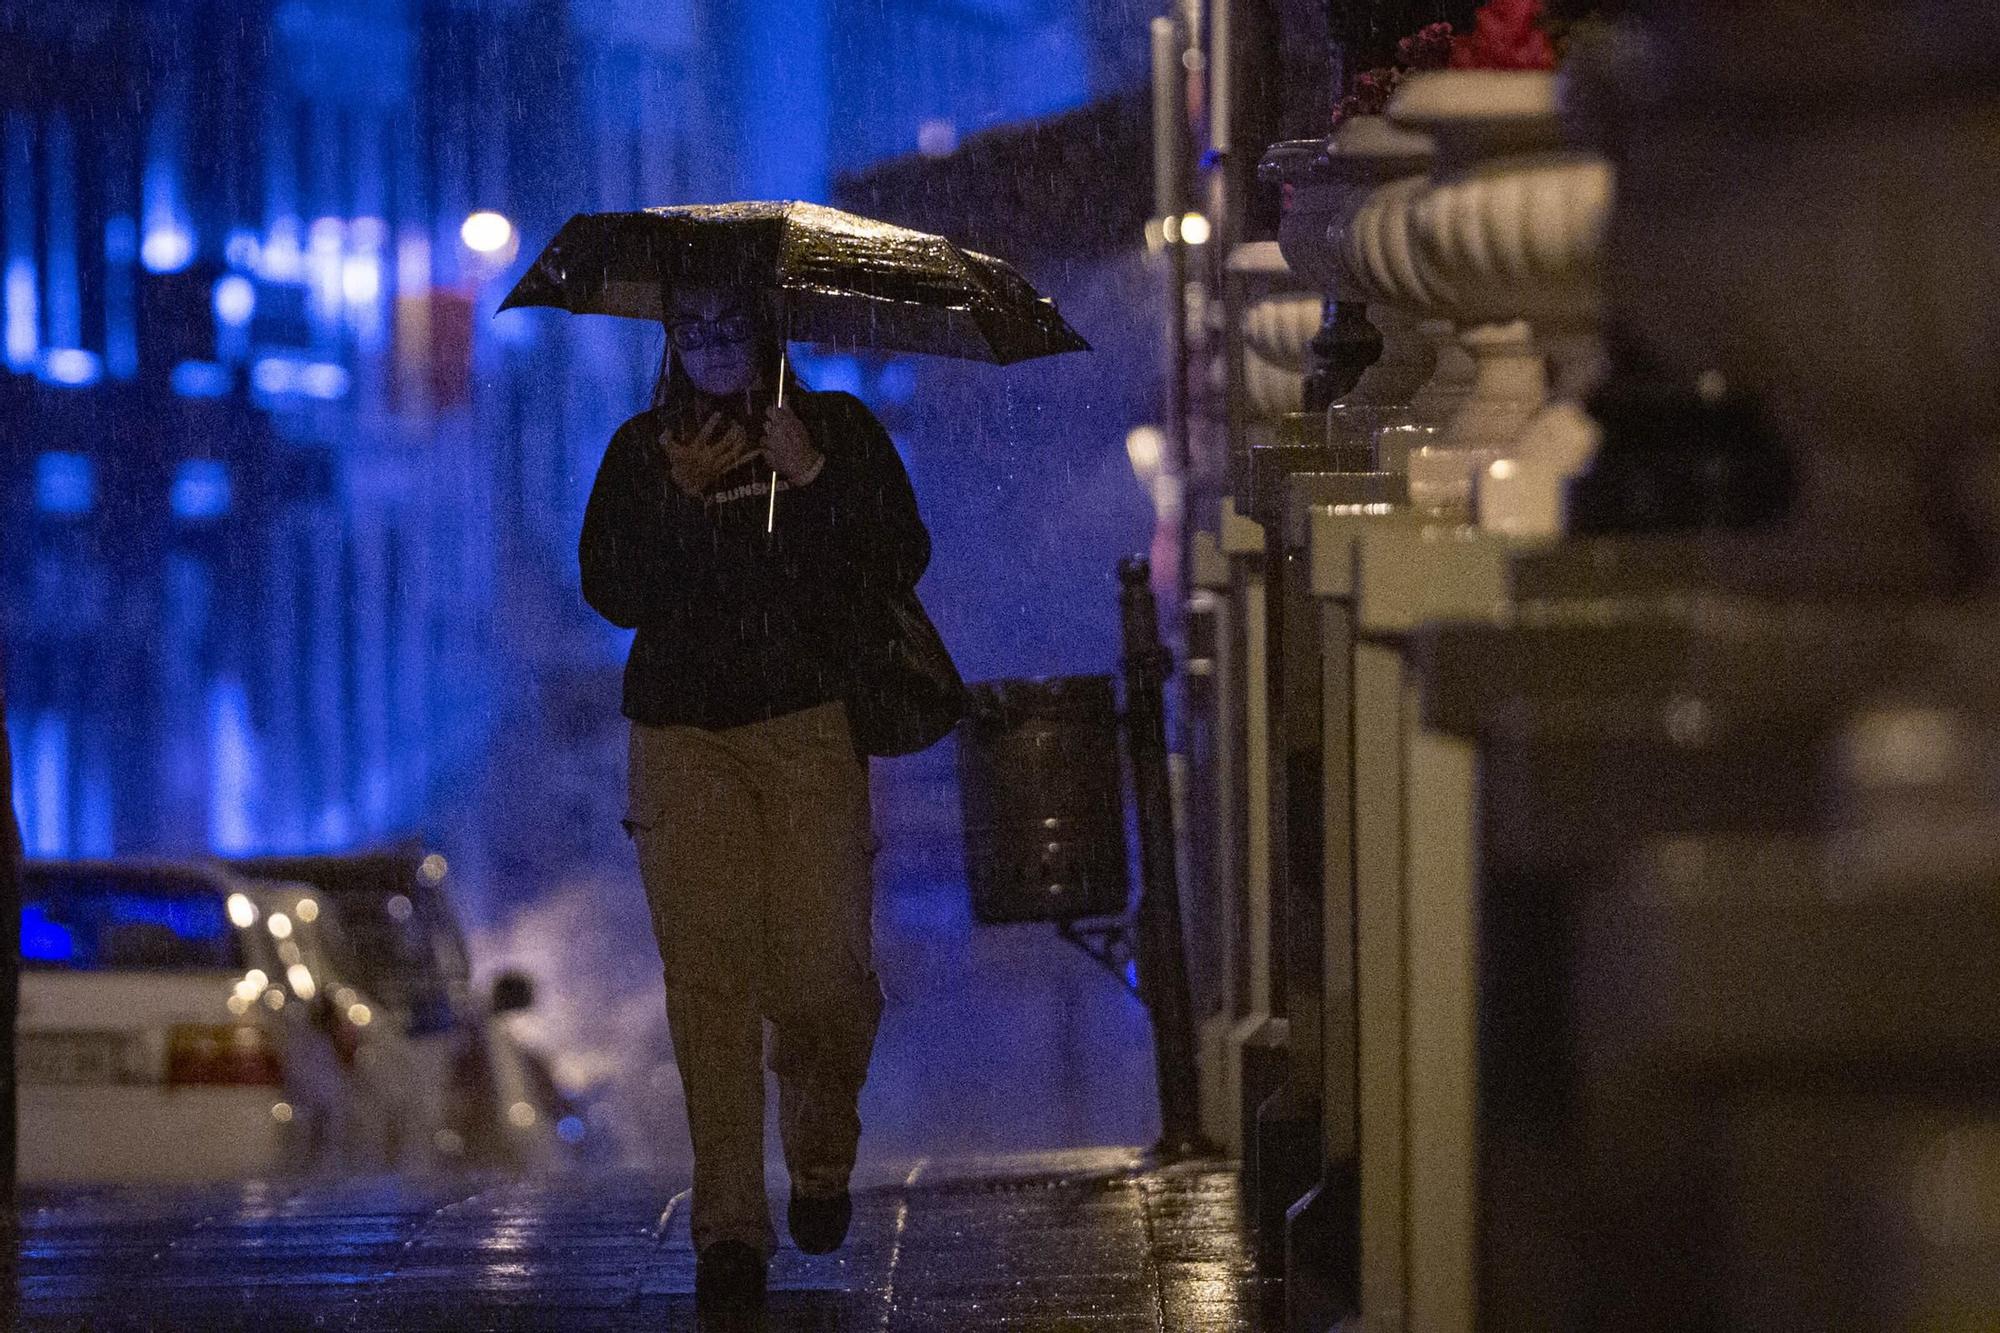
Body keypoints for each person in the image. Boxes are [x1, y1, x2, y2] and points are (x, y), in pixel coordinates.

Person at [579, 279, 929, 1316]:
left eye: (729, 325)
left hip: (808, 726)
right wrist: (677, 507)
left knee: (824, 969)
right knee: (710, 983)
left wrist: (812, 477)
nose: (712, 345)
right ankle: (729, 1227)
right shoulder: (642, 453)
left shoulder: (836, 431)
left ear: (766, 335)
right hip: (683, 738)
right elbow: (613, 592)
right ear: (671, 342)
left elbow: (896, 557)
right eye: (693, 328)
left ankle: (820, 1154)